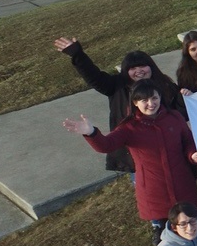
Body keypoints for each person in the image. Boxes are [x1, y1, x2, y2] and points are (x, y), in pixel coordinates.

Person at [62, 80, 197, 245]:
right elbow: (106, 145)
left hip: (181, 181)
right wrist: (91, 133)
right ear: (135, 103)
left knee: (192, 221)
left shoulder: (174, 117)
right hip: (154, 186)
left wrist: (192, 155)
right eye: (144, 100)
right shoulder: (130, 127)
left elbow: (188, 141)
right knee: (167, 234)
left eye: (154, 98)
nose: (151, 103)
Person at [53, 37, 186, 175]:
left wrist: (184, 97)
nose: (139, 71)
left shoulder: (166, 85)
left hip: (168, 150)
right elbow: (94, 77)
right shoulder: (116, 85)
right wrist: (77, 55)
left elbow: (181, 115)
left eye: (143, 66)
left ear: (151, 67)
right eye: (133, 68)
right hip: (135, 154)